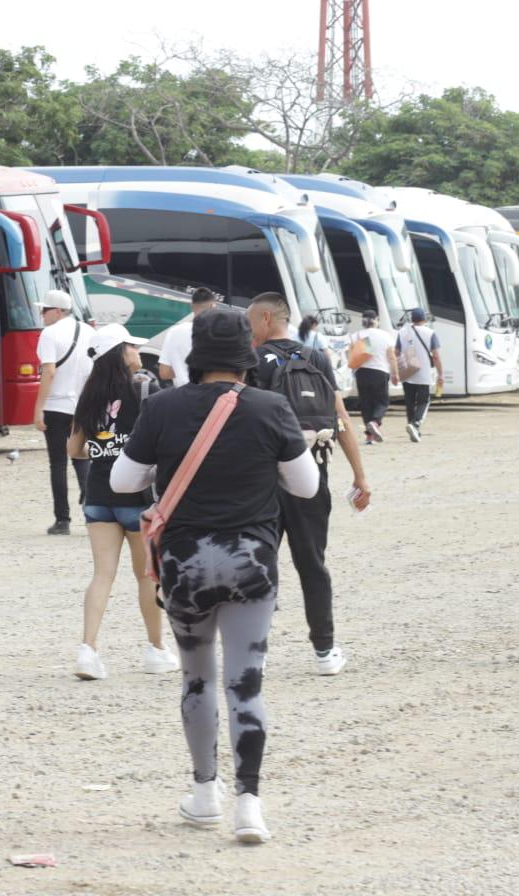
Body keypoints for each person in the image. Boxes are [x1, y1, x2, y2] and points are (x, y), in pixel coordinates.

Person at [110, 308, 320, 844]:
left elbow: (121, 479)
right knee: (245, 684)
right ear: (247, 355)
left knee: (197, 677)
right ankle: (249, 804)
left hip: (185, 565)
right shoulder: (271, 408)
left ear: (196, 355)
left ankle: (205, 793)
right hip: (251, 561)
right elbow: (305, 487)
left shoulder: (161, 407)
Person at [247, 292, 371, 676]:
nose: (248, 330)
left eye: (251, 322)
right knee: (312, 564)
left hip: (263, 478)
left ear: (267, 319)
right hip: (313, 470)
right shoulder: (316, 357)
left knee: (258, 562)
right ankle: (325, 650)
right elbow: (342, 418)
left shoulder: (254, 361)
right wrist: (360, 475)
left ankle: (254, 651)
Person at [67, 323, 177, 680]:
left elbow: (73, 449)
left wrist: (103, 448)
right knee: (146, 576)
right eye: (132, 345)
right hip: (136, 495)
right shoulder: (142, 389)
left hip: (97, 495)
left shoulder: (88, 394)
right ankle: (156, 650)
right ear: (120, 351)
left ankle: (88, 650)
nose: (137, 351)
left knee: (102, 574)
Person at [33, 289, 95, 535]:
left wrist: (38, 409)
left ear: (57, 311)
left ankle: (63, 520)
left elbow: (49, 372)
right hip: (82, 405)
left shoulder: (49, 334)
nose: (41, 315)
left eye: (44, 310)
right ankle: (92, 513)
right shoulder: (89, 332)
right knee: (82, 458)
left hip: (56, 406)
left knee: (57, 463)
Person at [349, 309, 397, 444]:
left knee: (366, 404)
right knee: (382, 402)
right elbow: (392, 357)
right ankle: (375, 423)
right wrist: (395, 373)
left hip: (361, 373)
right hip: (380, 372)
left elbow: (351, 354)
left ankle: (369, 437)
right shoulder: (385, 335)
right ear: (376, 320)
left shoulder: (357, 335)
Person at [157, 288, 217, 388]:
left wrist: (181, 369)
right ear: (212, 307)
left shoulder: (174, 332)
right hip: (209, 394)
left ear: (191, 307)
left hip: (182, 394)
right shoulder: (220, 333)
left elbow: (164, 373)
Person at [398, 308, 443, 441]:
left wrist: (396, 370)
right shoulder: (430, 333)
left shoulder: (403, 332)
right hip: (423, 374)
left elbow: (396, 352)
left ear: (412, 319)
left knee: (410, 402)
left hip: (407, 372)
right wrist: (440, 374)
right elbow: (436, 356)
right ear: (424, 319)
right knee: (424, 401)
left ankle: (413, 428)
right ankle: (415, 424)